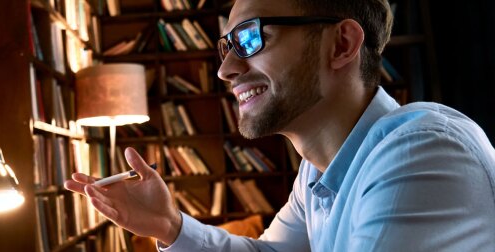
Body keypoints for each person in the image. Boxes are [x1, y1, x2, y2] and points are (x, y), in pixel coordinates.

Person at [65, 0, 495, 251]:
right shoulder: (318, 173)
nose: (226, 70)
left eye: (250, 38)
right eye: (225, 47)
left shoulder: (420, 152)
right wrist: (169, 226)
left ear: (341, 44)